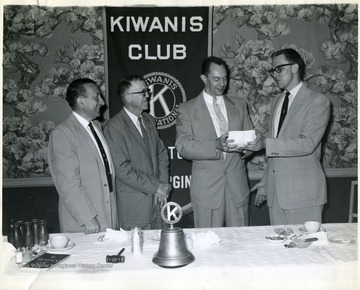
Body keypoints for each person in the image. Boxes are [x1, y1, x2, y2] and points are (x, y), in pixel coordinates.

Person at [246, 48, 330, 225]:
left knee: (306, 250)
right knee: (281, 251)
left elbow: (306, 143)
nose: (274, 74)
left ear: (295, 67)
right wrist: (266, 180)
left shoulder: (317, 101)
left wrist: (265, 143)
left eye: (279, 69)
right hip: (276, 195)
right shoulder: (277, 101)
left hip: (303, 194)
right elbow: (278, 143)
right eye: (272, 70)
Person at [175, 56, 254, 228]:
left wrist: (246, 148)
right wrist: (215, 145)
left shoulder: (240, 105)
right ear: (204, 78)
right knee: (207, 245)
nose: (222, 84)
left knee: (241, 246)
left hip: (237, 188)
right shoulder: (187, 109)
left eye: (225, 78)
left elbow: (250, 142)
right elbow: (183, 146)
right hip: (207, 191)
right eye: (216, 79)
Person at [48, 78, 118, 233]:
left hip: (107, 217)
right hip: (87, 223)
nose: (102, 102)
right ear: (81, 102)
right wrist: (86, 218)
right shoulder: (62, 133)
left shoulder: (97, 126)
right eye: (96, 97)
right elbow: (67, 183)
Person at [103, 75, 170, 230]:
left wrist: (163, 185)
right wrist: (156, 186)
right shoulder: (114, 127)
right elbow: (122, 170)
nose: (148, 95)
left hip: (159, 205)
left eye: (147, 91)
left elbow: (161, 154)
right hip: (135, 212)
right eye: (142, 92)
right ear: (128, 97)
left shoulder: (149, 120)